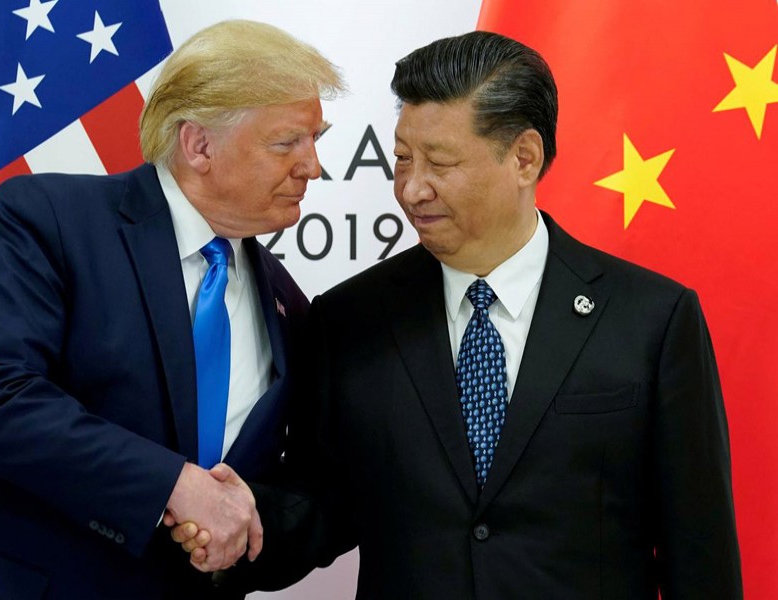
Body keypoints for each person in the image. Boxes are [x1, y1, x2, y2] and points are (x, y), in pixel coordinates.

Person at [178, 29, 743, 599]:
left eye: (440, 163)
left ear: (524, 158)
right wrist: (241, 522)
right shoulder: (349, 320)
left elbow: (699, 551)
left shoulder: (653, 319)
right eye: (402, 159)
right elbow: (321, 505)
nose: (412, 189)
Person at [0, 19, 343, 599]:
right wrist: (174, 486)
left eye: (315, 140)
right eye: (287, 143)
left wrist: (244, 517)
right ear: (199, 145)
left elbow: (305, 487)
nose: (313, 167)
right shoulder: (47, 218)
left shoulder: (288, 307)